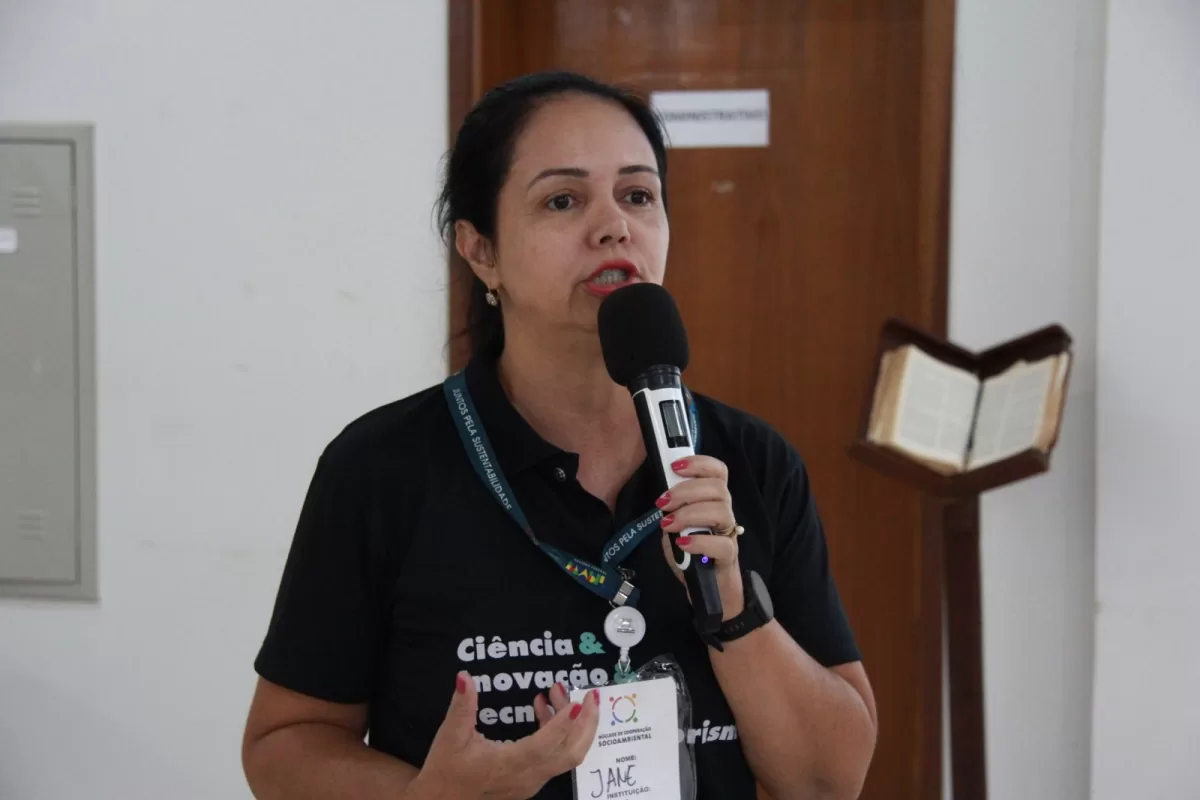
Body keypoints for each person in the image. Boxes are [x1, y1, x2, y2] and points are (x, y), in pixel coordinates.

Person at [241, 70, 877, 800]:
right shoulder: (381, 469)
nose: (614, 227)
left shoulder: (750, 463)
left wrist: (732, 607)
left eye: (638, 196)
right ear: (480, 250)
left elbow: (829, 783)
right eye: (563, 200)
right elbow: (282, 746)